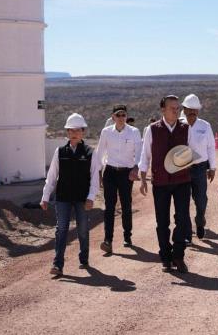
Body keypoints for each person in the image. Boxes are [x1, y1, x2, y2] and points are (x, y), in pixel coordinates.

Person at [40, 113, 100, 276]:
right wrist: (45, 197)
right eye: (70, 130)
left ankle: (84, 258)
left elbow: (95, 178)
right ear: (67, 132)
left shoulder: (90, 153)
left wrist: (91, 197)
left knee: (82, 229)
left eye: (77, 130)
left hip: (82, 198)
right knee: (61, 230)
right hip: (63, 197)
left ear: (83, 132)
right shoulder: (59, 152)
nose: (74, 133)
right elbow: (52, 176)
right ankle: (58, 265)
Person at [139, 95, 195, 273]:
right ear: (163, 110)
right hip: (161, 182)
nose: (176, 111)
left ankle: (178, 255)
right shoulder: (152, 129)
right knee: (162, 221)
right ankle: (165, 256)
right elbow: (145, 155)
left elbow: (193, 152)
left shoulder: (186, 128)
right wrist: (142, 179)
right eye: (172, 108)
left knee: (182, 219)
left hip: (182, 181)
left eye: (178, 108)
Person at [94, 104, 143, 254]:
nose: (121, 118)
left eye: (123, 115)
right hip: (110, 172)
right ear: (113, 117)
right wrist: (99, 172)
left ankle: (127, 236)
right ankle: (108, 240)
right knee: (109, 207)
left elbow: (139, 152)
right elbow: (100, 152)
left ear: (126, 116)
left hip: (126, 173)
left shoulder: (134, 132)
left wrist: (136, 168)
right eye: (118, 115)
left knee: (126, 205)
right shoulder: (106, 132)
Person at [180, 94, 217, 242]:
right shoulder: (178, 124)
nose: (192, 112)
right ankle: (187, 233)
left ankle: (200, 220)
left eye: (195, 109)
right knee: (183, 201)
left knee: (201, 200)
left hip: (200, 168)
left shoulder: (205, 125)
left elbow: (210, 147)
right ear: (184, 109)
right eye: (189, 109)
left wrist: (212, 167)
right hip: (183, 168)